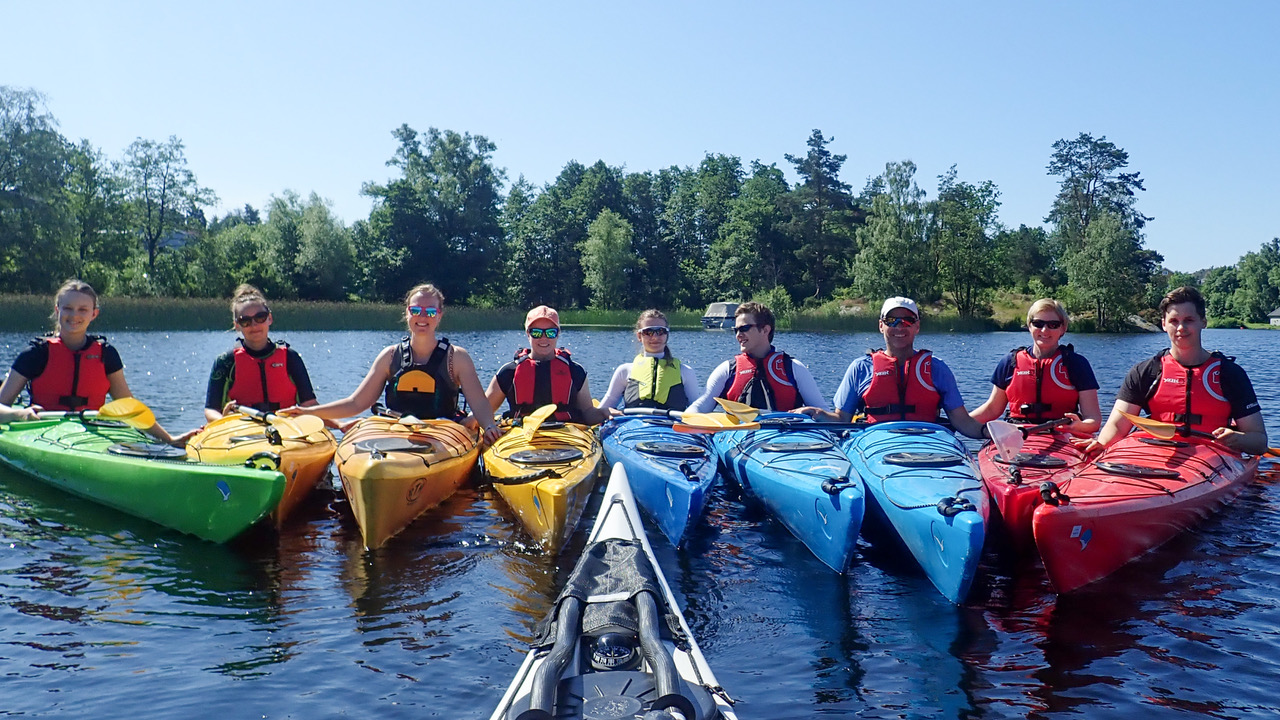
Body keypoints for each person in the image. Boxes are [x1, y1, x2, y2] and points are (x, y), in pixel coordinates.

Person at [280, 283, 501, 446]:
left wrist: (489, 426)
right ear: (407, 313)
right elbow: (356, 403)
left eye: (430, 311)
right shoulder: (390, 356)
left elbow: (479, 403)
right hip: (396, 431)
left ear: (439, 315)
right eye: (416, 310)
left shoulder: (457, 357)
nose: (422, 316)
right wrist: (308, 411)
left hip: (442, 434)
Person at [1081, 286, 1267, 455]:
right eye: (1174, 321)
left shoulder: (1230, 374)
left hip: (1212, 454)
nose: (1181, 328)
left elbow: (1259, 440)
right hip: (1156, 451)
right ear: (1164, 324)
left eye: (1189, 320)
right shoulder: (1145, 372)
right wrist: (1101, 443)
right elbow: (1118, 425)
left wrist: (1238, 439)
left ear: (1203, 322)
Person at [0, 279, 186, 443]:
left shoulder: (107, 354)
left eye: (83, 310)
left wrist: (169, 439)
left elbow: (129, 408)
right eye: (68, 308)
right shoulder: (35, 353)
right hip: (43, 429)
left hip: (92, 431)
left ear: (94, 314)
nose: (74, 316)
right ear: (57, 310)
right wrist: (19, 414)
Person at [799, 296, 985, 438]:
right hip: (876, 443)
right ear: (881, 326)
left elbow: (962, 421)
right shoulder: (861, 368)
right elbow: (841, 420)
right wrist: (818, 413)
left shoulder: (937, 369)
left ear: (917, 327)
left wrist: (987, 432)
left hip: (928, 443)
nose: (899, 327)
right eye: (891, 321)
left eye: (907, 321)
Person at [970, 298, 1101, 435]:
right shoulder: (1010, 362)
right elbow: (992, 410)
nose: (1044, 330)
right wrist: (957, 423)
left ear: (1063, 328)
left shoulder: (1077, 364)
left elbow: (1094, 420)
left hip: (1062, 433)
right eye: (1038, 323)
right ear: (1029, 326)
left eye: (1053, 324)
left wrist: (1079, 426)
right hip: (1018, 433)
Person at [685, 301, 829, 413]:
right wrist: (689, 417)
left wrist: (814, 412)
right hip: (741, 440)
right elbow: (701, 406)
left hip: (786, 440)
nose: (738, 335)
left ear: (765, 330)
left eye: (744, 328)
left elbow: (823, 412)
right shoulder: (727, 370)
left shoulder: (794, 368)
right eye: (736, 330)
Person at [203, 284, 319, 422]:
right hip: (241, 429)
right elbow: (211, 410)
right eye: (245, 321)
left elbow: (310, 405)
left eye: (260, 317)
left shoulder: (290, 357)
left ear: (269, 318)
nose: (254, 325)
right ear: (237, 326)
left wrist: (341, 425)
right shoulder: (225, 362)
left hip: (286, 428)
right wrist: (223, 421)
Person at [484, 305, 612, 425]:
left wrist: (603, 413)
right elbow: (482, 411)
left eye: (550, 332)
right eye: (537, 333)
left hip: (565, 436)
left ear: (558, 333)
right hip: (521, 436)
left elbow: (587, 413)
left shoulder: (575, 371)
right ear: (528, 334)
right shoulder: (508, 372)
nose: (544, 338)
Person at [598, 309, 699, 413]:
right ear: (639, 336)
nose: (655, 337)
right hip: (634, 427)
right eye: (648, 332)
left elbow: (697, 409)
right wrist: (602, 413)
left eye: (660, 331)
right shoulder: (624, 371)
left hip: (671, 427)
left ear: (667, 335)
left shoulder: (686, 372)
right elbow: (604, 408)